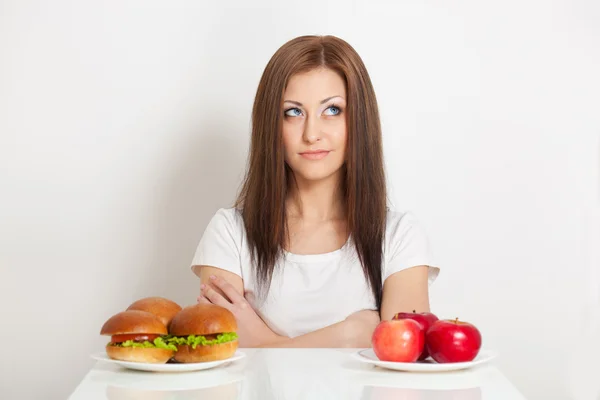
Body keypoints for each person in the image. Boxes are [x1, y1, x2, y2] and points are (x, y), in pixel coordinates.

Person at [190, 35, 439, 348]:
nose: (311, 134)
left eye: (332, 110)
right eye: (293, 112)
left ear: (359, 120)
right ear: (271, 125)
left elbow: (406, 354)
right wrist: (350, 334)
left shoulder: (399, 235)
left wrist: (263, 343)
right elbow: (218, 360)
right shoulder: (229, 233)